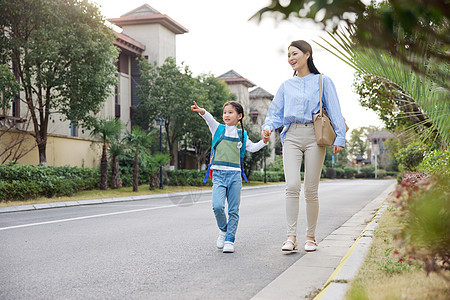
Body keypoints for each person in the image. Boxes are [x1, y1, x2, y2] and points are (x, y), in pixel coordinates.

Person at [262, 40, 346, 252]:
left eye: (295, 53)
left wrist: (340, 138)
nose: (291, 58)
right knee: (291, 186)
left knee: (310, 189)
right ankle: (291, 237)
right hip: (291, 136)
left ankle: (310, 237)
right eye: (288, 55)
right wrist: (267, 127)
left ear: (307, 54)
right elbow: (275, 113)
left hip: (315, 136)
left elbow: (335, 110)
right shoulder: (285, 85)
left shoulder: (322, 81)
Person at [191, 100, 269, 253]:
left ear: (239, 116)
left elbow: (252, 148)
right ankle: (224, 229)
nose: (226, 115)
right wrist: (202, 111)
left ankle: (230, 240)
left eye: (230, 112)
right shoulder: (218, 129)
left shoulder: (242, 135)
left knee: (233, 210)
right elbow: (209, 118)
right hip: (219, 176)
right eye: (225, 112)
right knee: (217, 206)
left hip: (235, 176)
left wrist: (264, 142)